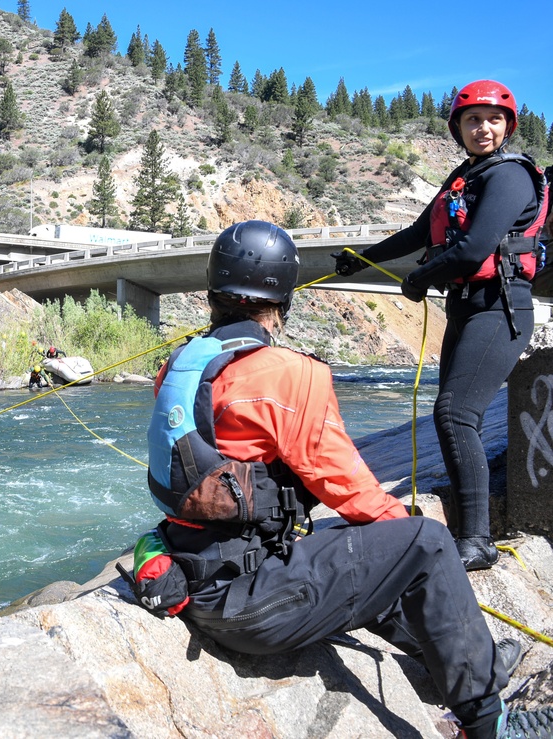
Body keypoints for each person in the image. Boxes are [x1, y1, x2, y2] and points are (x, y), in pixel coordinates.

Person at [146, 220, 551, 739]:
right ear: (282, 300)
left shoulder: (181, 363)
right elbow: (346, 486)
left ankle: (473, 663)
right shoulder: (287, 371)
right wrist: (401, 521)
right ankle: (490, 723)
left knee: (370, 549)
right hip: (252, 606)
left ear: (213, 295)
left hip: (200, 577)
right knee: (422, 542)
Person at [332, 80, 550, 571]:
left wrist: (420, 278)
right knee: (448, 415)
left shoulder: (510, 177)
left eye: (494, 119)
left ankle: (477, 541)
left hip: (501, 309)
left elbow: (474, 250)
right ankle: (471, 531)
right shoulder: (464, 177)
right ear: (458, 128)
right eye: (473, 120)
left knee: (456, 415)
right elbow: (417, 232)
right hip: (467, 307)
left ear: (508, 126)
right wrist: (358, 258)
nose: (484, 128)